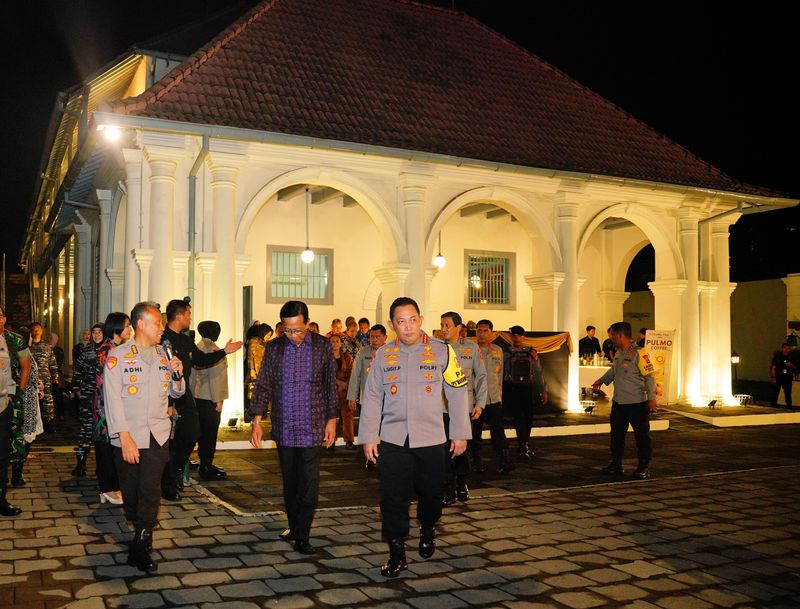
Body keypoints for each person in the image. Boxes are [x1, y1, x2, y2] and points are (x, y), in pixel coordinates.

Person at [360, 297, 470, 577]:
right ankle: (396, 552)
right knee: (392, 498)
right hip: (394, 439)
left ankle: (428, 527)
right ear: (392, 324)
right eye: (400, 321)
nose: (407, 327)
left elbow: (457, 393)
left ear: (421, 320)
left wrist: (459, 433)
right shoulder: (383, 354)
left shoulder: (442, 351)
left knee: (432, 495)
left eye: (412, 320)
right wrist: (369, 436)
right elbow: (372, 397)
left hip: (432, 438)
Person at [249, 300, 337, 554]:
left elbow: (330, 385)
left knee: (309, 482)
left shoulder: (321, 346)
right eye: (287, 331)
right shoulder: (274, 348)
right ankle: (294, 524)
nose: (293, 335)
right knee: (291, 481)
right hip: (285, 426)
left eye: (298, 330)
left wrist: (332, 420)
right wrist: (256, 421)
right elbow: (264, 384)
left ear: (307, 324)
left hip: (313, 425)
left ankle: (303, 534)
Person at [104, 302, 185, 572]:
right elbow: (112, 399)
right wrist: (123, 436)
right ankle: (140, 531)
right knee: (131, 491)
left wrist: (178, 375)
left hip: (158, 434)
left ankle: (141, 543)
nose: (162, 328)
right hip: (129, 434)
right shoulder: (118, 356)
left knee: (150, 490)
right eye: (157, 323)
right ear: (141, 324)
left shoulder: (164, 354)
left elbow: (176, 393)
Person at [161, 300, 242, 500]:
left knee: (192, 433)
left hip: (184, 394)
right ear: (179, 316)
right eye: (188, 314)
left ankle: (176, 469)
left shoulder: (187, 340)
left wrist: (225, 351)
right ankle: (167, 481)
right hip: (163, 394)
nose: (190, 318)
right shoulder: (162, 340)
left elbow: (201, 361)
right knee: (166, 440)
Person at [592, 321, 657, 480]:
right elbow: (614, 370)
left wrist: (652, 399)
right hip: (619, 403)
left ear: (620, 335)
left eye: (612, 335)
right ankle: (616, 464)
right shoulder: (619, 353)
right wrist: (600, 381)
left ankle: (643, 466)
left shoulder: (640, 353)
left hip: (637, 403)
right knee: (616, 436)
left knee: (641, 436)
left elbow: (649, 377)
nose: (611, 338)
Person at [439, 311, 486, 505]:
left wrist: (480, 404)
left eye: (446, 325)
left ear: (459, 328)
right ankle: (448, 487)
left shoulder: (472, 349)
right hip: (440, 408)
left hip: (464, 407)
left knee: (461, 448)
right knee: (443, 450)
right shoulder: (435, 349)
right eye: (441, 325)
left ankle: (462, 483)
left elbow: (481, 377)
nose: (443, 329)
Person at [94, 313, 131, 505]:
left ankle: (112, 488)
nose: (130, 330)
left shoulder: (117, 348)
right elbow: (104, 381)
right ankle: (107, 488)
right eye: (126, 326)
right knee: (105, 449)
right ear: (117, 327)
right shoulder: (107, 349)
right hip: (104, 406)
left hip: (112, 403)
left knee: (112, 447)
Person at [473, 319, 515, 474]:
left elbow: (500, 375)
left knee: (497, 430)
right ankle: (476, 461)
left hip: (494, 398)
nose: (481, 334)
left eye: (485, 330)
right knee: (474, 432)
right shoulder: (471, 350)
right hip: (476, 400)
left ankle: (504, 460)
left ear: (492, 332)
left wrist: (500, 397)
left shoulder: (497, 350)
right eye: (479, 330)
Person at [1, 305, 32, 516]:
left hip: (4, 403)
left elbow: (26, 366)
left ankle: (1, 499)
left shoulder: (16, 340)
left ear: (4, 319)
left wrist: (17, 394)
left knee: (3, 453)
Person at [192, 321, 230, 480]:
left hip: (198, 396)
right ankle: (206, 465)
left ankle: (202, 463)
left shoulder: (199, 346)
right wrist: (219, 400)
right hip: (210, 398)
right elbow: (217, 378)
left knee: (200, 433)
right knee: (209, 433)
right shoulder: (212, 349)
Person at [505, 325, 548, 461]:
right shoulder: (506, 353)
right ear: (511, 337)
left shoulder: (531, 353)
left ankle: (524, 443)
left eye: (518, 335)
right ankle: (523, 444)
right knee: (519, 418)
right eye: (513, 335)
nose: (516, 338)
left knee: (527, 418)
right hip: (514, 389)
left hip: (526, 389)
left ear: (523, 337)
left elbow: (538, 372)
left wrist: (542, 390)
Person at [12, 326, 43, 488]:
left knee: (24, 435)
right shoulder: (24, 354)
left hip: (29, 397)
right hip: (27, 400)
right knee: (25, 436)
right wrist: (38, 385)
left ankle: (17, 473)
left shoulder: (25, 353)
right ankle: (17, 475)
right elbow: (28, 376)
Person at [73, 324, 104, 477]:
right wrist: (78, 391)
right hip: (88, 396)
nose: (97, 335)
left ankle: (102, 467)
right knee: (85, 430)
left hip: (104, 400)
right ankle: (80, 464)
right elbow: (78, 372)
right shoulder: (86, 351)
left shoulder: (109, 351)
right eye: (94, 332)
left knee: (102, 433)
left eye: (99, 332)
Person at [28, 323, 59, 433]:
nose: (36, 331)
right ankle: (33, 426)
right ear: (31, 331)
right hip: (30, 380)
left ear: (42, 331)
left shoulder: (47, 346)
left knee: (48, 402)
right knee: (32, 402)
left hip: (45, 379)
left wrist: (55, 377)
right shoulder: (28, 347)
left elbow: (53, 364)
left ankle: (49, 423)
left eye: (38, 329)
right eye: (34, 329)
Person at [329, 334, 355, 449]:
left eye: (336, 341)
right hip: (330, 391)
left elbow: (352, 373)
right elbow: (324, 374)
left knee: (347, 415)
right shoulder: (326, 357)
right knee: (331, 416)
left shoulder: (347, 357)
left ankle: (349, 440)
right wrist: (337, 383)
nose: (334, 343)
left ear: (340, 343)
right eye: (332, 341)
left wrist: (345, 385)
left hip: (345, 390)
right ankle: (331, 440)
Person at [245, 323, 272, 404]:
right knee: (254, 395)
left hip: (261, 373)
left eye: (269, 335)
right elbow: (252, 358)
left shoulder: (262, 343)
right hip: (255, 373)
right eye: (267, 335)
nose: (268, 337)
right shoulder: (254, 342)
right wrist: (253, 371)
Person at [771, 343, 796, 407]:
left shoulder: (791, 357)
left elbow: (796, 367)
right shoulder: (778, 357)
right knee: (775, 392)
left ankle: (789, 406)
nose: (786, 350)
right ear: (782, 348)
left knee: (788, 393)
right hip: (778, 377)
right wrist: (773, 377)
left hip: (787, 378)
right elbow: (773, 367)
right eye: (785, 348)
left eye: (788, 348)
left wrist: (791, 365)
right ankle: (773, 405)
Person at [49, 333, 65, 421]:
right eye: (49, 337)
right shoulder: (45, 348)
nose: (49, 339)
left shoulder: (58, 350)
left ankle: (61, 414)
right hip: (47, 376)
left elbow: (58, 363)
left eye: (51, 338)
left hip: (57, 376)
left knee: (58, 396)